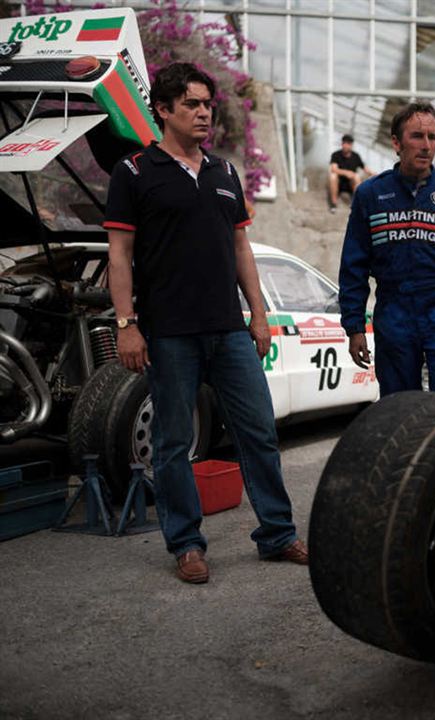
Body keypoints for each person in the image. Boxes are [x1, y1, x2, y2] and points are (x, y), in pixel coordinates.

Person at [103, 62, 307, 585]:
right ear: (164, 111)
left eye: (207, 104)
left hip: (229, 330)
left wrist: (259, 315)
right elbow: (119, 255)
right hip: (170, 333)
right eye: (191, 104)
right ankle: (187, 544)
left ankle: (277, 535)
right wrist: (127, 324)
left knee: (258, 431)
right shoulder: (133, 174)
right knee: (174, 443)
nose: (202, 113)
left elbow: (241, 247)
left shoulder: (225, 172)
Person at [338, 102, 435, 397]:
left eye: (433, 137)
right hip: (394, 315)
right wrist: (354, 327)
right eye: (417, 136)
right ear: (396, 142)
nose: (426, 146)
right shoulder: (371, 194)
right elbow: (353, 266)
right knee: (397, 406)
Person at [328, 133, 371, 212]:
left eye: (348, 143)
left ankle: (357, 205)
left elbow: (365, 168)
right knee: (333, 176)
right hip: (339, 183)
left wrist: (375, 174)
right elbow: (333, 169)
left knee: (357, 176)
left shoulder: (356, 156)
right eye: (344, 143)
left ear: (351, 145)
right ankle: (333, 204)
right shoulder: (336, 155)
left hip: (351, 184)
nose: (345, 145)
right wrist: (346, 172)